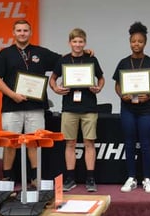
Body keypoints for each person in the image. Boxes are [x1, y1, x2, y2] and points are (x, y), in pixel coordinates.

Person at [0, 20, 61, 187]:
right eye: (19, 30)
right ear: (13, 33)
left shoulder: (41, 52)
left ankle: (35, 178)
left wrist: (84, 53)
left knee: (34, 142)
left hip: (35, 107)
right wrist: (12, 95)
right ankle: (7, 177)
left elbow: (63, 62)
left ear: (30, 33)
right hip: (11, 106)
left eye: (25, 30)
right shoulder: (5, 54)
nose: (22, 33)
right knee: (10, 143)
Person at [49, 28, 105, 192]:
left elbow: (101, 77)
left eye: (81, 41)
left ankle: (90, 178)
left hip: (88, 107)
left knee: (89, 143)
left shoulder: (91, 59)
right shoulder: (63, 60)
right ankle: (70, 178)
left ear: (85, 43)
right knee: (70, 143)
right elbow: (53, 78)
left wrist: (99, 87)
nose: (78, 44)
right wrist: (55, 88)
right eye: (75, 41)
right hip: (69, 108)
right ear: (69, 43)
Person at [112, 22, 150, 193]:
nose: (136, 44)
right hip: (128, 108)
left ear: (145, 43)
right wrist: (122, 95)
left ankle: (147, 179)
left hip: (147, 109)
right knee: (129, 143)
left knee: (146, 143)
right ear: (130, 42)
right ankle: (131, 178)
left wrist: (149, 95)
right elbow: (117, 85)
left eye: (140, 41)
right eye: (133, 41)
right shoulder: (123, 62)